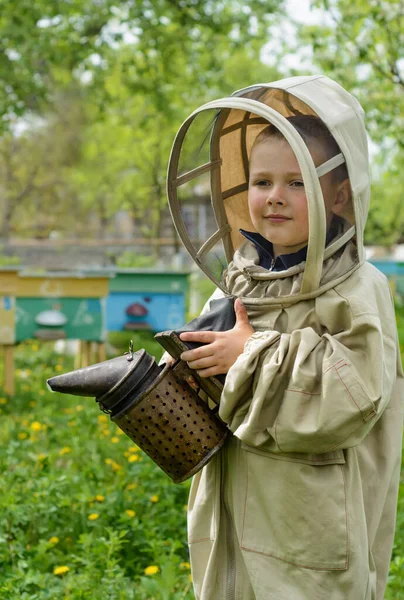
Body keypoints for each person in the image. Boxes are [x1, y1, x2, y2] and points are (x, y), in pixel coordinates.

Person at [164, 76, 404, 600]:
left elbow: (352, 394)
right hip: (233, 511)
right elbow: (216, 369)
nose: (275, 197)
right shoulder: (243, 275)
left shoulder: (359, 289)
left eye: (297, 183)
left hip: (308, 529)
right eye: (261, 181)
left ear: (339, 193)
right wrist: (174, 375)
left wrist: (247, 354)